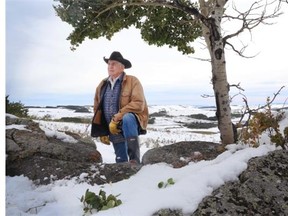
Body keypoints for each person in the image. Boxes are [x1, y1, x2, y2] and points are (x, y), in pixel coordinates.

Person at [91, 51, 149, 164]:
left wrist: (118, 116)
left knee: (127, 118)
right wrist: (102, 130)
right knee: (120, 161)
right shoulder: (102, 85)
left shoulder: (133, 81)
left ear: (122, 67)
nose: (110, 66)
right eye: (109, 64)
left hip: (129, 124)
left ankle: (134, 160)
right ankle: (123, 173)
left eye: (114, 64)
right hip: (112, 127)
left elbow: (138, 103)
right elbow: (97, 109)